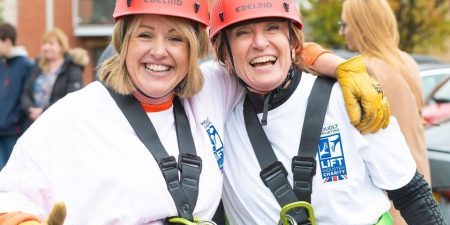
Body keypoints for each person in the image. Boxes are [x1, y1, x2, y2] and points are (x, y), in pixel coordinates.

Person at [0, 1, 389, 225]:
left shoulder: (210, 90)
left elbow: (265, 52)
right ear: (123, 42)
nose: (159, 51)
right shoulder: (72, 117)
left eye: (175, 38)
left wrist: (339, 66)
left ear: (192, 49)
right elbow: (9, 198)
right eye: (145, 35)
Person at [205, 0, 445, 224]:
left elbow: (413, 195)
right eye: (242, 32)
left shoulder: (348, 99)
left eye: (272, 28)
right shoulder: (217, 112)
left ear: (293, 42)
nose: (259, 42)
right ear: (224, 52)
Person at [338, 0, 431, 224]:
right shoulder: (405, 61)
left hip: (394, 192)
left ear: (361, 25)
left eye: (344, 24)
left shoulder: (365, 71)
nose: (342, 33)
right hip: (419, 179)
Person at [21, 28, 86, 124]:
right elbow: (26, 92)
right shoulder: (37, 66)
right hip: (33, 123)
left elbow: (71, 98)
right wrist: (30, 109)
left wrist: (43, 111)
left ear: (61, 46)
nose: (46, 47)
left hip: (59, 123)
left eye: (51, 44)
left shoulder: (72, 68)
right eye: (44, 44)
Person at [0, 23, 33, 170]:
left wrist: (15, 120)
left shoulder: (26, 65)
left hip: (14, 131)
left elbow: (27, 96)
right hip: (2, 129)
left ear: (7, 41)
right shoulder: (2, 65)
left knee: (12, 173)